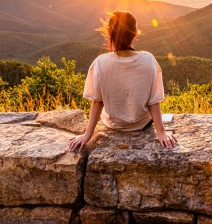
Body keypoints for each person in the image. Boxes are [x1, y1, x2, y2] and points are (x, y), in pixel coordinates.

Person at [68, 10, 177, 152]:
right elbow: (153, 101)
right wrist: (161, 132)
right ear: (135, 33)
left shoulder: (100, 63)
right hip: (142, 124)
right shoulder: (148, 60)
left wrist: (87, 134)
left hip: (113, 125)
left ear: (110, 34)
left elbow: (97, 101)